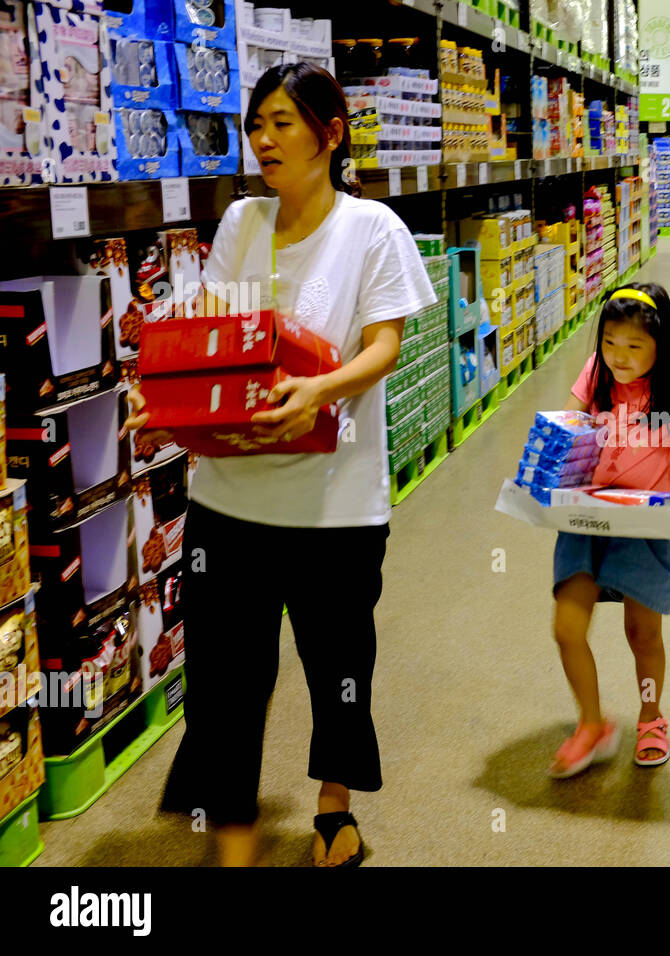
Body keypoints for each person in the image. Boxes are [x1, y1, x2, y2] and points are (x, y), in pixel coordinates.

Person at [125, 63, 438, 867]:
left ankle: (335, 808)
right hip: (230, 499)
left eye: (281, 123)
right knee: (226, 678)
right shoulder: (241, 224)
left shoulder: (372, 229)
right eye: (254, 123)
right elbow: (215, 341)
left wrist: (321, 389)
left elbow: (386, 347)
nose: (262, 139)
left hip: (335, 503)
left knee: (338, 664)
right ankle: (232, 833)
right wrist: (163, 400)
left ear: (330, 134)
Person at [547, 283, 670, 778]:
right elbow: (568, 425)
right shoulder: (595, 375)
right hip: (587, 519)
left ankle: (651, 717)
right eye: (609, 342)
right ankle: (591, 724)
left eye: (634, 347)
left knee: (642, 634)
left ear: (661, 345)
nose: (618, 357)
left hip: (648, 524)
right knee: (567, 627)